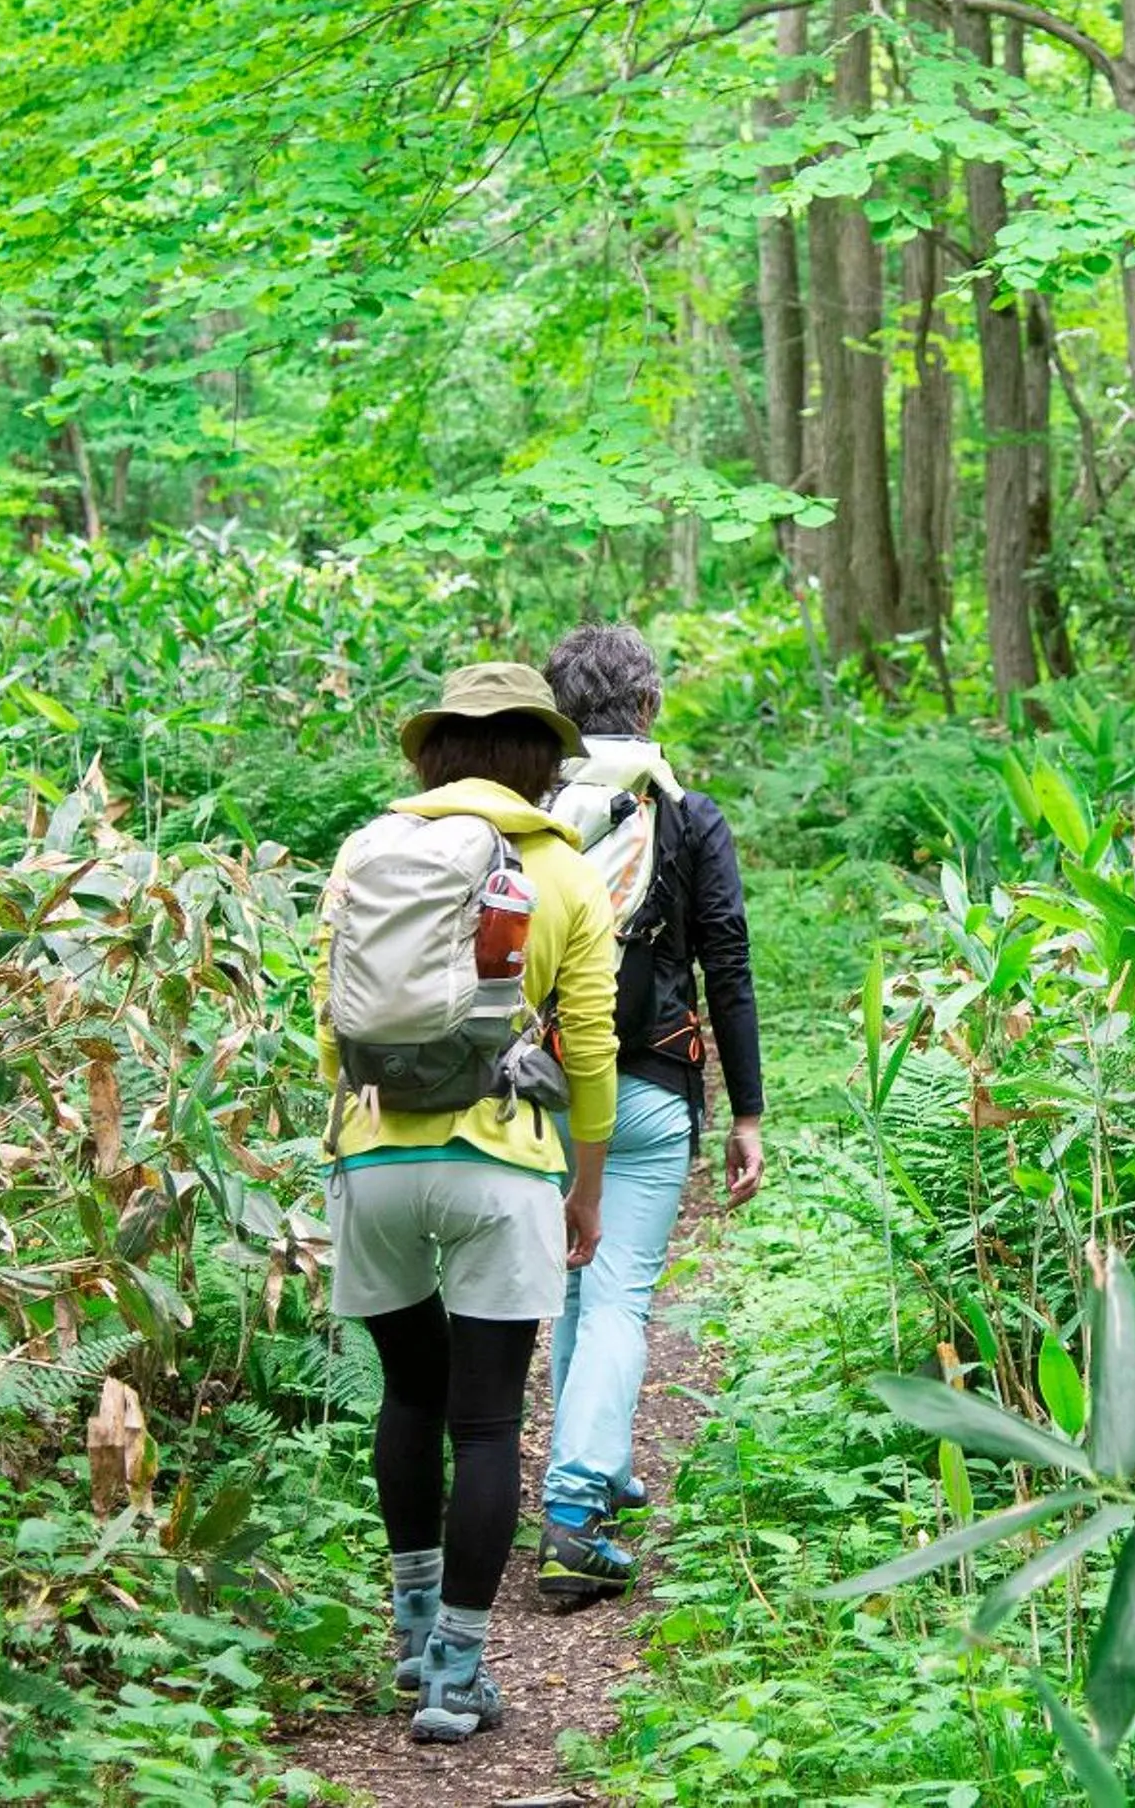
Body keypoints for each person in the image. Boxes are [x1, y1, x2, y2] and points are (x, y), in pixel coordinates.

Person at [316, 663, 620, 1744]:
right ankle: (454, 1676)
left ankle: (408, 1639)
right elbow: (592, 1046)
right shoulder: (565, 869)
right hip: (502, 1163)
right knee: (487, 1423)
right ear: (541, 758)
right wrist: (586, 1187)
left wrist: (369, 1119)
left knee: (408, 1395)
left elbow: (330, 1023)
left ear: (436, 751)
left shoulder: (366, 849)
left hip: (372, 1157)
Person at [533, 621, 765, 1606]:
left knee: (576, 1287)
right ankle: (576, 1508)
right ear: (649, 705)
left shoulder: (531, 814)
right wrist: (748, 1114)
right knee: (619, 1294)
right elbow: (728, 965)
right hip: (651, 1088)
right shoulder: (689, 816)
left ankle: (600, 1463)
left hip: (540, 1088)